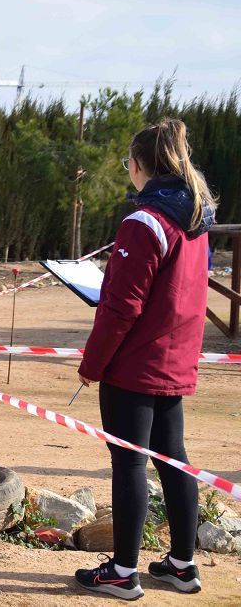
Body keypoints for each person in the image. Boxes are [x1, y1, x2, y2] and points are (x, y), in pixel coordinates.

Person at [74, 119, 216, 600]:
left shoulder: (145, 220)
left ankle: (122, 572)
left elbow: (121, 308)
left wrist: (93, 363)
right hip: (174, 359)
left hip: (136, 364)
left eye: (126, 163)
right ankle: (181, 564)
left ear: (139, 165)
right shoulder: (194, 220)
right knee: (174, 460)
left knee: (129, 462)